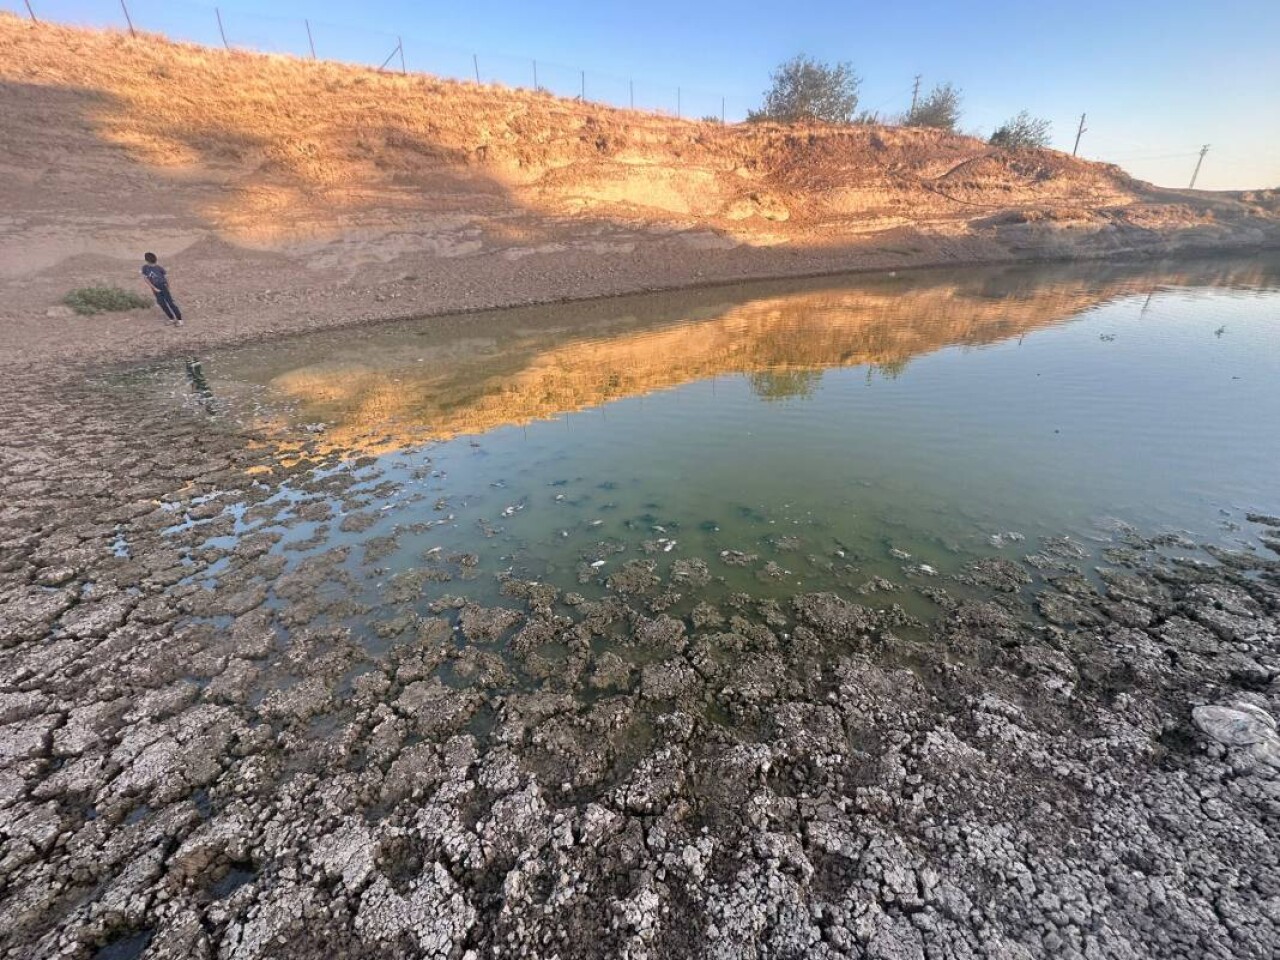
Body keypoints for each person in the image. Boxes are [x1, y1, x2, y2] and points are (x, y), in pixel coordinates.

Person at [141, 252, 183, 326]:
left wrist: (168, 286)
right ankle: (172, 318)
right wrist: (153, 287)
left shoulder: (159, 268)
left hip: (163, 286)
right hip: (155, 288)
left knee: (170, 303)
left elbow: (166, 277)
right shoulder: (145, 268)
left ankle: (180, 320)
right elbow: (145, 278)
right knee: (162, 304)